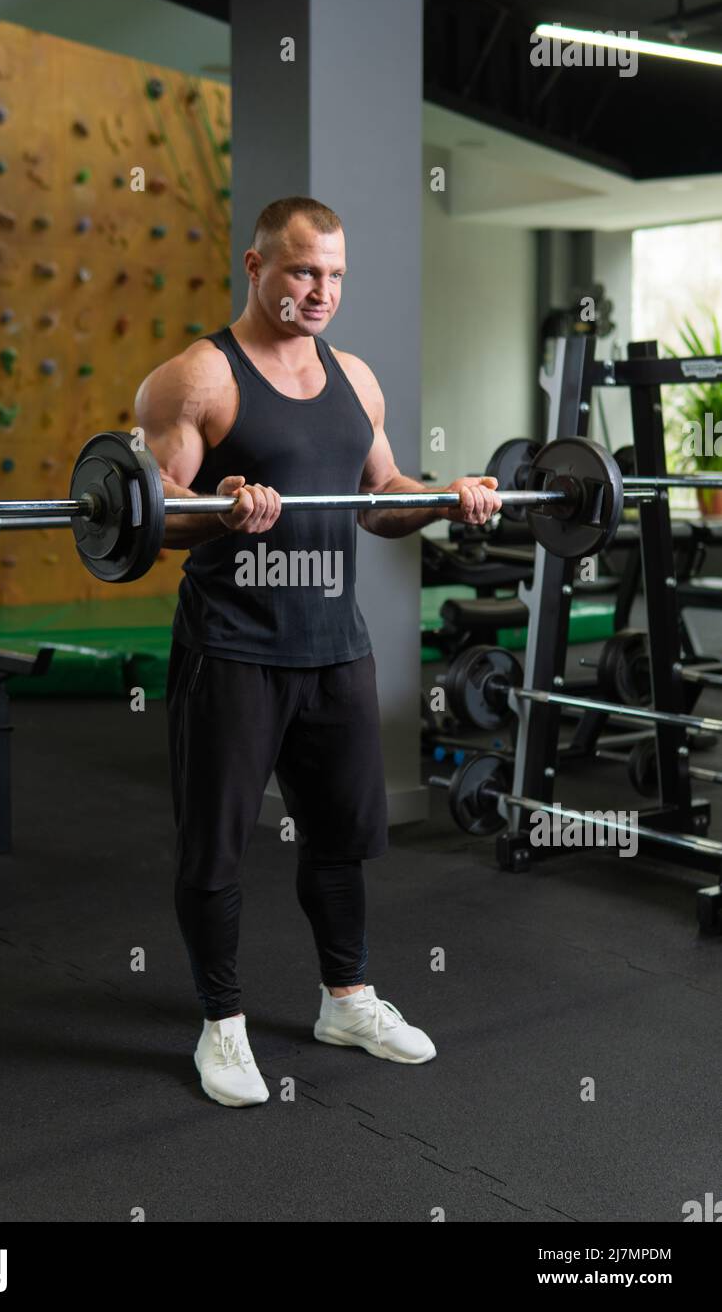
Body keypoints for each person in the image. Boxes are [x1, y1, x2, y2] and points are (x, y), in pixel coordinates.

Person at [134, 196, 501, 1107]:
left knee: (340, 838)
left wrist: (446, 498)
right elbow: (147, 514)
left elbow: (379, 498)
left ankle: (348, 997)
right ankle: (222, 1027)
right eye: (303, 271)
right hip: (234, 647)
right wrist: (222, 505)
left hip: (335, 647)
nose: (321, 290)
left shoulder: (356, 380)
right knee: (215, 846)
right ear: (256, 268)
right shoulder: (196, 379)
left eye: (334, 274)